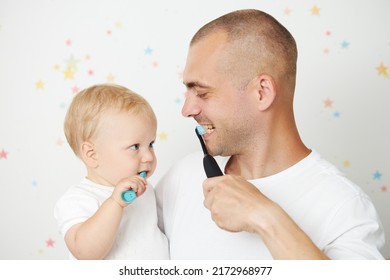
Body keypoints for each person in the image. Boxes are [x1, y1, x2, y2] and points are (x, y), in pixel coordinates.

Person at [155, 9, 384, 259]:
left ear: (262, 92)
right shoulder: (182, 178)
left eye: (202, 93)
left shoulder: (344, 207)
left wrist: (265, 217)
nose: (187, 110)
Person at [54, 84, 169, 259]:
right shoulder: (77, 199)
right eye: (135, 146)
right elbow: (85, 253)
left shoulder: (146, 191)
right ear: (92, 154)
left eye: (151, 144)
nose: (148, 156)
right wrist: (116, 203)